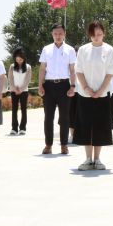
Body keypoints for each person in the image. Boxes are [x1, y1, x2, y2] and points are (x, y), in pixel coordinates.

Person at [73, 20, 113, 171]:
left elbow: (111, 72)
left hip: (102, 94)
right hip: (85, 93)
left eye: (99, 34)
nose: (96, 37)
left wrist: (100, 90)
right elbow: (78, 70)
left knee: (100, 126)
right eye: (93, 34)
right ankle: (88, 159)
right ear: (89, 35)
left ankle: (98, 159)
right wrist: (86, 88)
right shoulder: (83, 50)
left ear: (104, 33)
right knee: (85, 125)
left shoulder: (109, 50)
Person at [38, 23, 77, 155]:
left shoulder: (70, 50)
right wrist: (40, 85)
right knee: (48, 117)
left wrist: (73, 86)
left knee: (64, 117)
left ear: (64, 34)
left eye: (60, 33)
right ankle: (48, 145)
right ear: (52, 34)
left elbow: (72, 70)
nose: (58, 36)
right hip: (48, 86)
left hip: (64, 86)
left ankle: (64, 145)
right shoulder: (46, 49)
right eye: (55, 33)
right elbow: (42, 69)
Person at [7, 47, 31, 135]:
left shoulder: (28, 67)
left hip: (24, 91)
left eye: (20, 59)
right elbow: (10, 78)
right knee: (14, 109)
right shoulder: (12, 66)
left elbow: (27, 80)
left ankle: (23, 128)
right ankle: (14, 128)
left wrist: (21, 89)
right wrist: (14, 88)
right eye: (17, 59)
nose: (19, 61)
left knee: (23, 109)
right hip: (14, 91)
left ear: (24, 58)